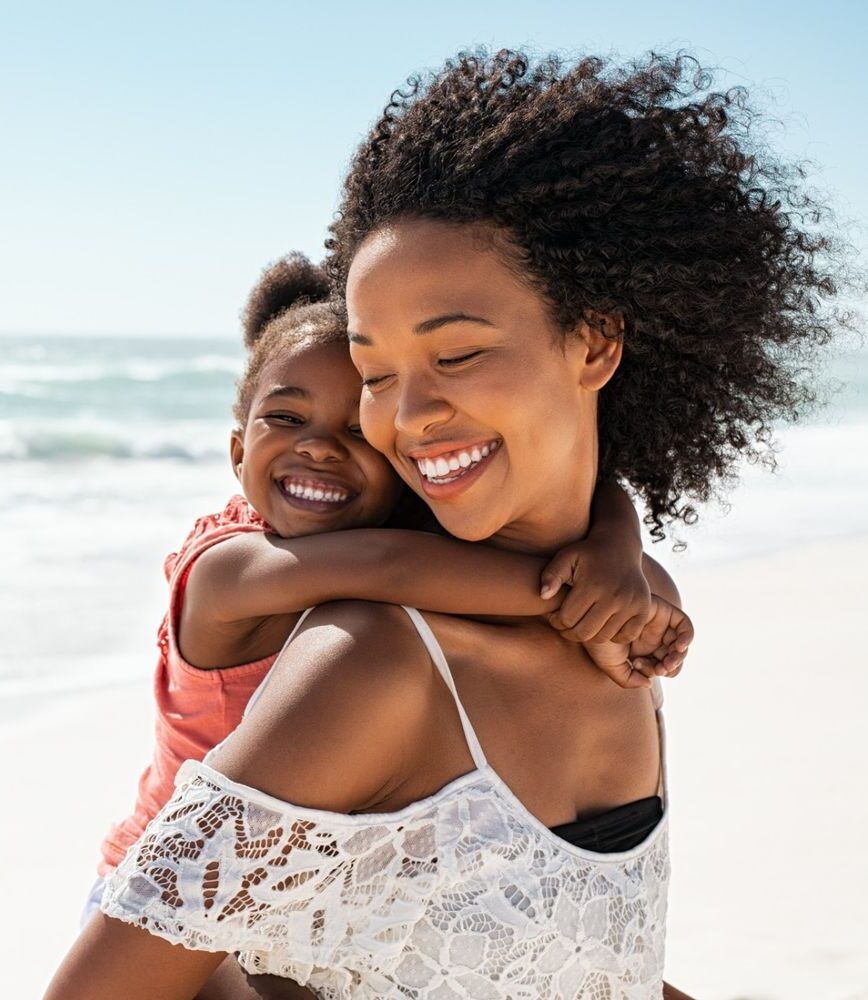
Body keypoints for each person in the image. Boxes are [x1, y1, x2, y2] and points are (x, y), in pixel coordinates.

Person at [48, 47, 841, 998]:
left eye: (456, 355)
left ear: (595, 342)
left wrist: (614, 548)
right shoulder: (370, 663)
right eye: (376, 373)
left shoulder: (618, 628)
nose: (408, 415)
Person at [82, 252, 686, 936]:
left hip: (294, 895)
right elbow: (390, 565)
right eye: (286, 417)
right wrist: (594, 598)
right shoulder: (226, 570)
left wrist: (615, 545)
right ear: (237, 452)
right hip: (159, 897)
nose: (318, 448)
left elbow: (578, 494)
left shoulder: (388, 535)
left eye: (354, 431)